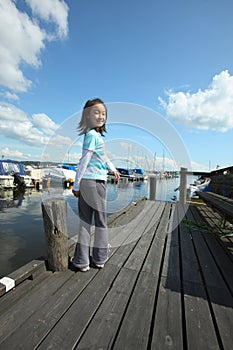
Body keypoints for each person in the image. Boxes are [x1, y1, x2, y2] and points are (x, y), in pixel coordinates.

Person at [71, 98, 120, 272]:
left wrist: (113, 168)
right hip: (96, 183)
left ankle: (82, 261)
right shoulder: (92, 135)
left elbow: (102, 157)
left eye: (104, 113)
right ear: (87, 115)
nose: (101, 116)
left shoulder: (95, 136)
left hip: (87, 183)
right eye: (96, 112)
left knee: (85, 221)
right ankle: (99, 258)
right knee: (100, 221)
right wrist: (75, 185)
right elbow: (84, 161)